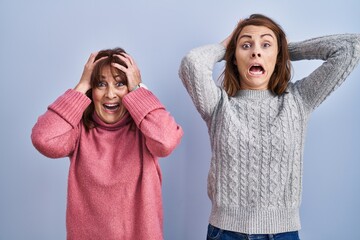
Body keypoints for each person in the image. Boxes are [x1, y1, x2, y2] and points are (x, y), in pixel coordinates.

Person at [179, 14, 360, 240]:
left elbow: (350, 48)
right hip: (225, 233)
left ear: (278, 56)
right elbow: (192, 64)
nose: (256, 52)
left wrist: (286, 50)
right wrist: (226, 45)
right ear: (233, 57)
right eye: (246, 45)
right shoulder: (218, 105)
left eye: (266, 45)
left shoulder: (298, 100)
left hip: (282, 233)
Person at [31, 47, 183, 240]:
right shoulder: (78, 131)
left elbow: (167, 141)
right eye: (101, 84)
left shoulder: (146, 129)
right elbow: (42, 139)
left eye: (120, 84)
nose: (110, 94)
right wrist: (81, 85)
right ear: (91, 91)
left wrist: (138, 88)